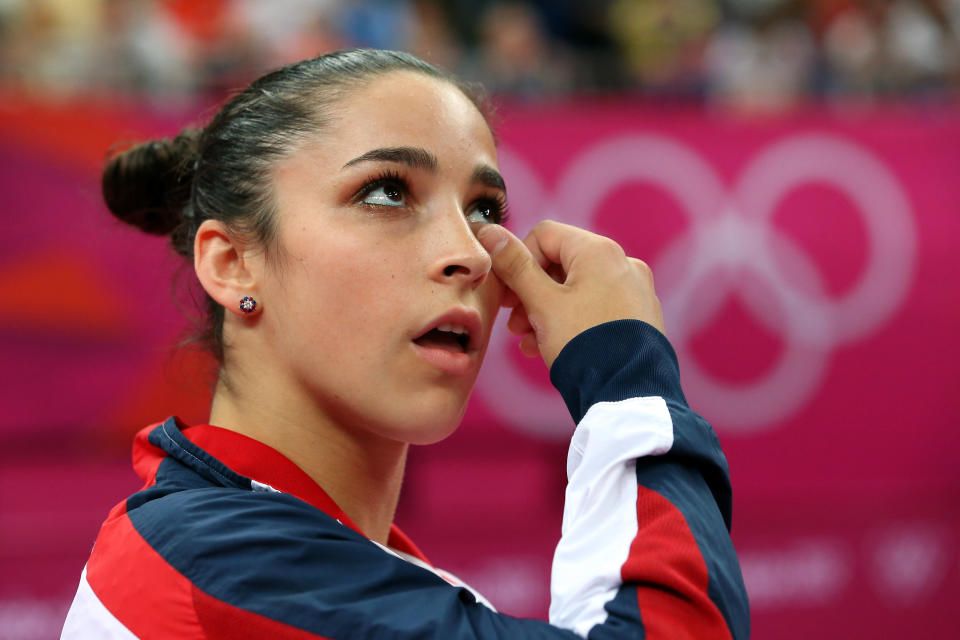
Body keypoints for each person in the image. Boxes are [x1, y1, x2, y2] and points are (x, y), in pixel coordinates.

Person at [61, 48, 750, 639]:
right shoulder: (215, 563)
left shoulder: (301, 561)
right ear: (232, 263)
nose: (471, 254)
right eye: (387, 192)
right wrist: (626, 375)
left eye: (483, 209)